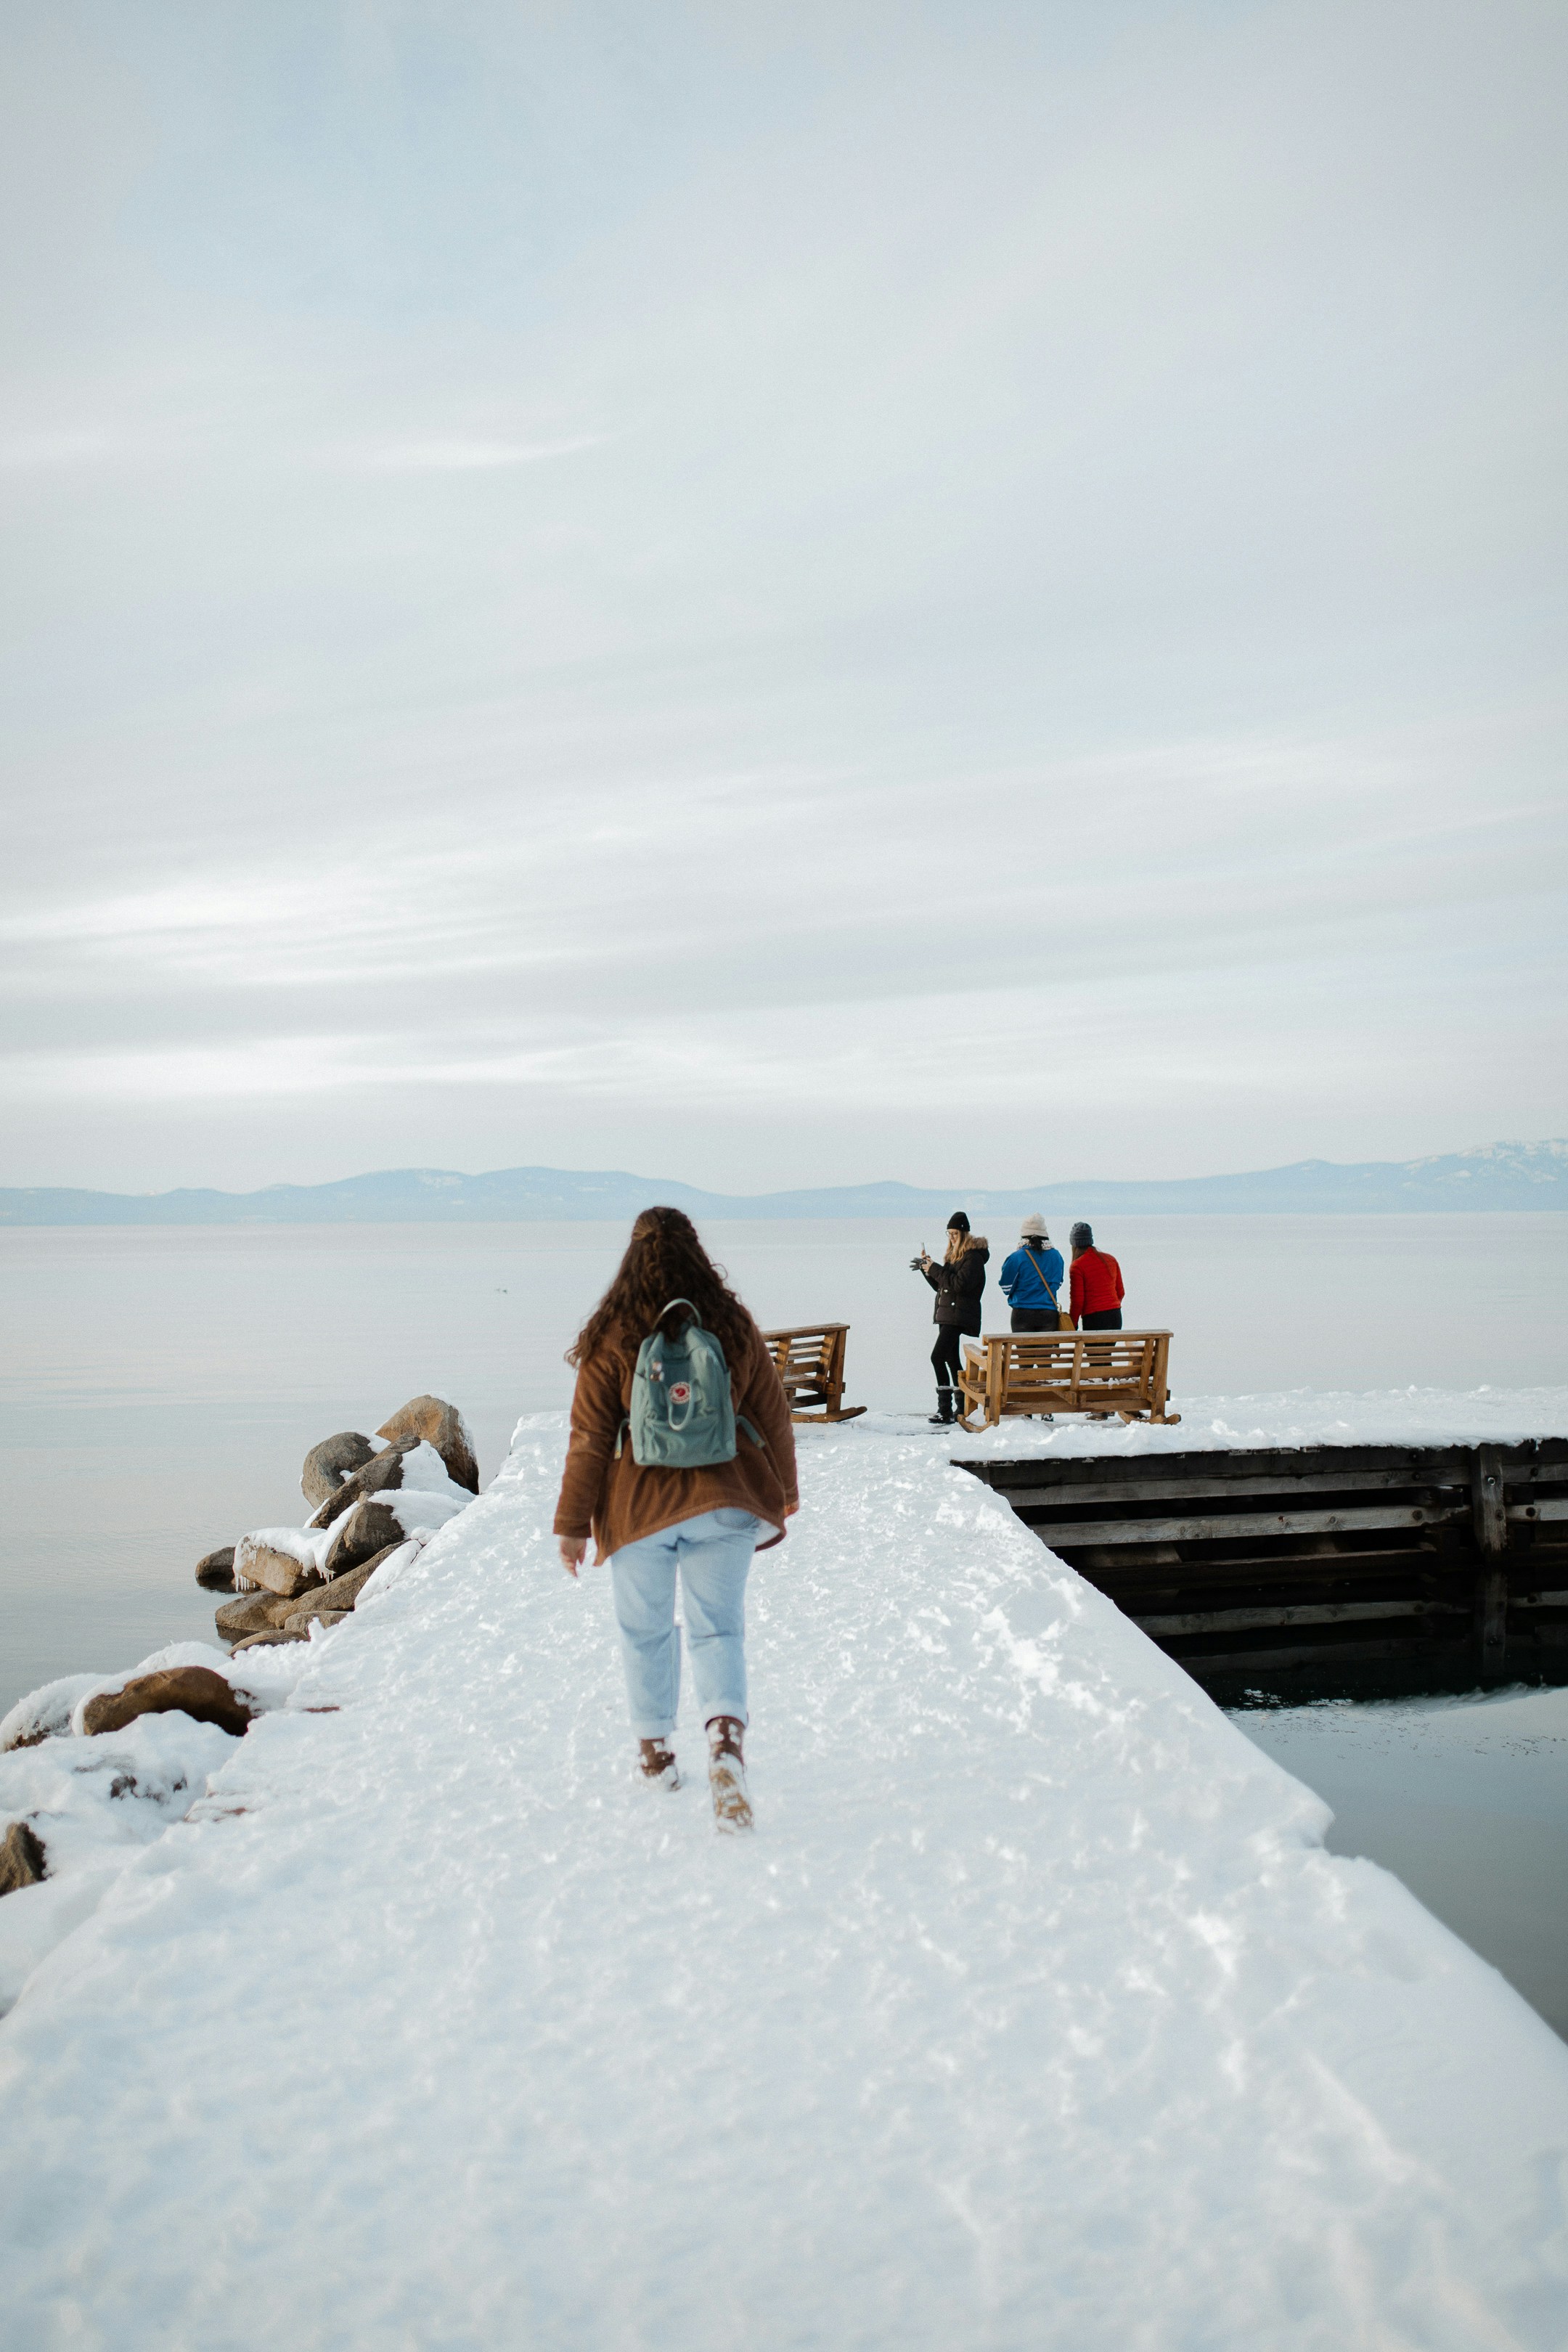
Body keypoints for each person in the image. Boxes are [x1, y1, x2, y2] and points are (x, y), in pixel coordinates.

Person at [553, 1206, 799, 1832]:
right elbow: (773, 1413)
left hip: (638, 1510)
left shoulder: (613, 1332)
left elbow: (588, 1438)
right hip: (725, 1500)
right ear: (697, 1252)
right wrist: (787, 1491)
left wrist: (573, 1524)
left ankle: (657, 1753)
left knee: (647, 1631)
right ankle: (723, 1739)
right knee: (719, 1629)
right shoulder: (731, 1322)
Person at [912, 1211, 989, 1424]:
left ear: (964, 1233)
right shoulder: (955, 1256)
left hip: (959, 1314)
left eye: (955, 1233)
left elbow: (959, 1285)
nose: (952, 1237)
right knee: (951, 1359)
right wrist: (926, 1270)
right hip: (948, 1313)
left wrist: (935, 1269)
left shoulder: (972, 1257)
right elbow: (941, 1286)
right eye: (949, 1233)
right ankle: (960, 1408)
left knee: (937, 1357)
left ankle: (945, 1409)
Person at [997, 1214, 1065, 1332]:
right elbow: (1058, 1284)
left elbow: (1006, 1288)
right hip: (1049, 1314)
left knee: (1024, 1351)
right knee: (1044, 1351)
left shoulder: (1016, 1258)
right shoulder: (1056, 1256)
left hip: (1022, 1313)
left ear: (1024, 1236)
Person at [1069, 1220, 1124, 1329]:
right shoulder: (1111, 1260)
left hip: (1094, 1319)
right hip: (1116, 1317)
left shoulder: (1077, 1266)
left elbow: (1078, 1302)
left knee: (1094, 1347)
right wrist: (1110, 1305)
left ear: (1074, 1244)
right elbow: (1121, 1292)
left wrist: (1073, 1324)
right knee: (1109, 1347)